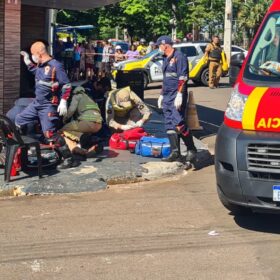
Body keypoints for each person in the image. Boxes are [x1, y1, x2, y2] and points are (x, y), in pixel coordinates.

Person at [17, 41, 79, 169]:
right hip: (36, 103)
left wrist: (63, 101)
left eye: (33, 54)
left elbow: (66, 85)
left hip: (48, 105)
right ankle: (26, 150)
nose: (33, 56)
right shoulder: (41, 65)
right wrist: (27, 60)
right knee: (19, 120)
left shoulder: (56, 66)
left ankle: (69, 159)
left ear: (39, 53)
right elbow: (35, 71)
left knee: (50, 134)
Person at [156, 35, 197, 163]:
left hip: (176, 95)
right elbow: (166, 78)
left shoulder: (179, 57)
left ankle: (191, 149)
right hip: (167, 95)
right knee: (169, 124)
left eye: (159, 46)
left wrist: (180, 94)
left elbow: (183, 77)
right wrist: (162, 94)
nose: (158, 48)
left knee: (179, 123)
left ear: (165, 45)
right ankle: (175, 152)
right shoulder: (165, 58)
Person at [61, 86, 103, 156]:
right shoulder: (88, 98)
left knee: (63, 129)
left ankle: (76, 146)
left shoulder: (77, 96)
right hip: (98, 123)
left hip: (87, 121)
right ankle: (90, 146)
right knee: (79, 129)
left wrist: (64, 120)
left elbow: (71, 110)